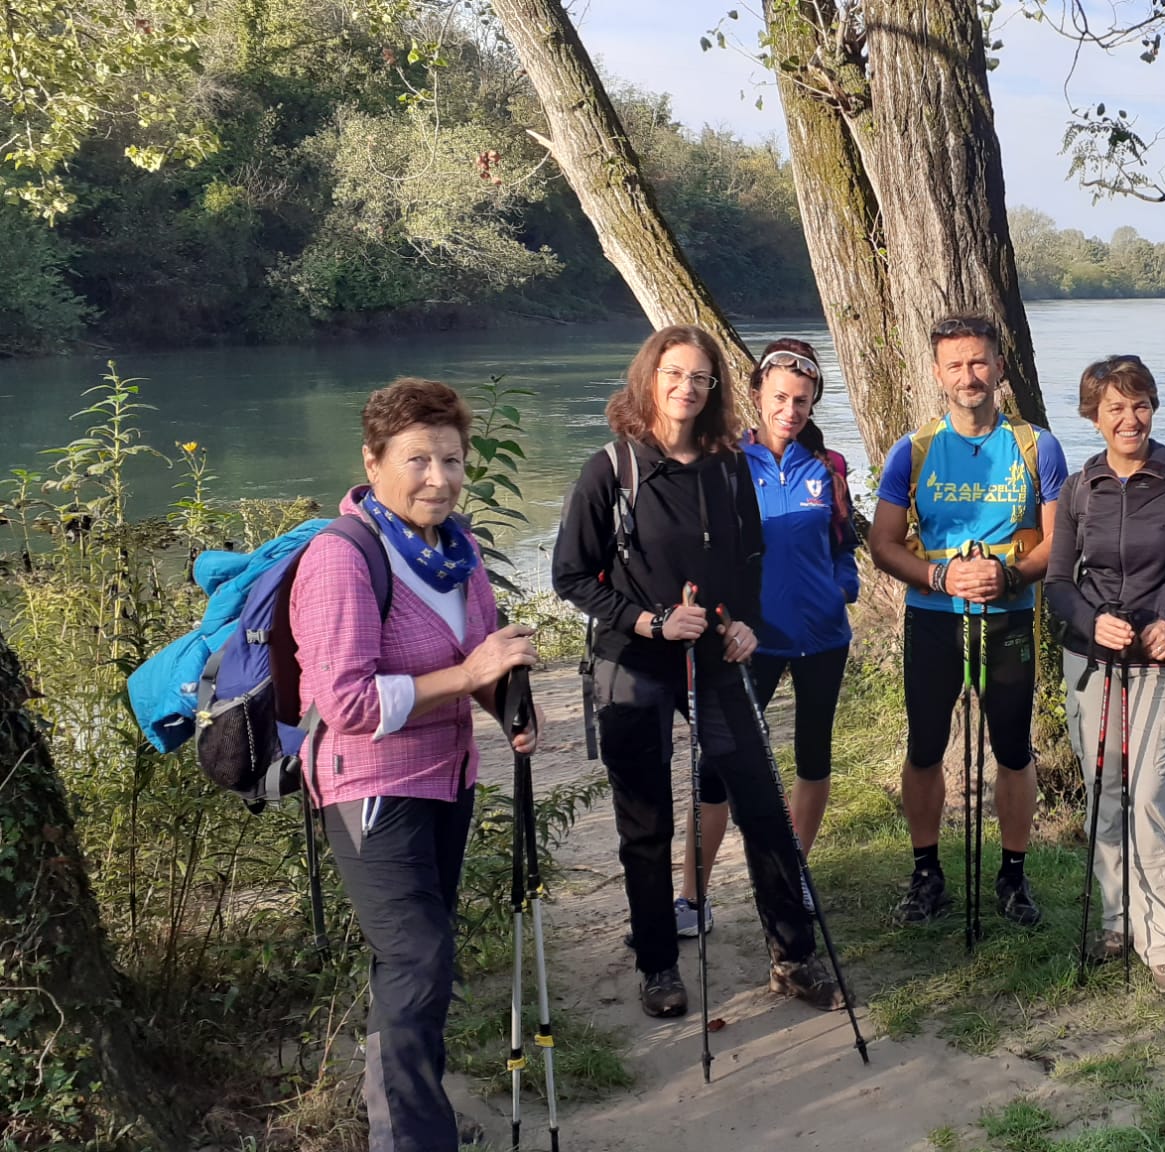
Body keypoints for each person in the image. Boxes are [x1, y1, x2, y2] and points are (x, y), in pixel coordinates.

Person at [553, 324, 842, 1020]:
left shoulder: (726, 466)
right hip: (635, 662)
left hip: (714, 658)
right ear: (650, 377)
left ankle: (793, 956)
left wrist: (741, 620)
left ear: (715, 392)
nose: (687, 388)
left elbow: (747, 563)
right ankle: (657, 964)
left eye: (701, 379)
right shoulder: (611, 469)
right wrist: (648, 621)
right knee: (645, 820)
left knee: (762, 805)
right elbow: (569, 575)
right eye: (675, 374)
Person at [293, 377, 540, 1152]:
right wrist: (470, 680)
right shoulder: (343, 558)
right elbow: (349, 705)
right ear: (372, 461)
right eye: (418, 460)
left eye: (454, 461)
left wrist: (508, 707)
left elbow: (480, 660)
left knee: (418, 962)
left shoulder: (454, 552)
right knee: (419, 958)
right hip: (369, 787)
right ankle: (414, 1136)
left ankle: (409, 1109)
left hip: (446, 777)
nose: (440, 478)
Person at [868, 314, 1069, 926]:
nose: (968, 375)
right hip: (934, 618)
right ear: (937, 374)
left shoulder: (1037, 445)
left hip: (1008, 618)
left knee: (1012, 748)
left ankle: (1013, 875)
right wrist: (940, 577)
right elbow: (883, 544)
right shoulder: (915, 449)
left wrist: (1008, 576)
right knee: (925, 747)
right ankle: (926, 872)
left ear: (1000, 368)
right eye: (955, 365)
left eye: (979, 361)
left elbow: (1060, 546)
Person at [1045, 355, 1165, 995]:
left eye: (1141, 403)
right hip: (1092, 662)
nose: (1130, 418)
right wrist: (1094, 622)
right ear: (1093, 416)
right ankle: (1118, 919)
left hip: (1162, 663)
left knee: (1149, 796)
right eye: (1115, 407)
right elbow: (1057, 583)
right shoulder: (1078, 488)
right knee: (1106, 794)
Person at [675, 337, 860, 938]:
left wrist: (842, 586)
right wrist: (723, 617)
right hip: (746, 641)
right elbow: (709, 555)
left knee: (813, 756)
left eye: (802, 400)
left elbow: (842, 543)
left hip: (823, 638)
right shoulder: (726, 463)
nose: (790, 409)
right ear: (756, 395)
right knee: (718, 769)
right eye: (779, 396)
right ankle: (693, 898)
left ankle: (795, 874)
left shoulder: (827, 466)